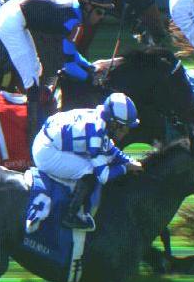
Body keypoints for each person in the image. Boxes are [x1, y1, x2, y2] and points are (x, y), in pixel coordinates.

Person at [0, 0, 113, 141]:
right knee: (31, 81)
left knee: (36, 70)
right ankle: (32, 136)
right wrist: (91, 78)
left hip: (17, 14)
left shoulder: (75, 12)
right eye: (100, 12)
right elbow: (68, 66)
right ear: (87, 6)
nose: (101, 17)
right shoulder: (69, 19)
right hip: (10, 20)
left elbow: (72, 54)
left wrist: (90, 67)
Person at [31, 92, 144, 231]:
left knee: (95, 162)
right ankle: (70, 215)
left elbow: (111, 150)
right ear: (114, 124)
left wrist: (130, 161)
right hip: (46, 152)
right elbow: (103, 176)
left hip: (49, 139)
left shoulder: (102, 120)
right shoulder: (97, 133)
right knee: (90, 170)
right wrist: (126, 167)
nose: (126, 132)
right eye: (125, 128)